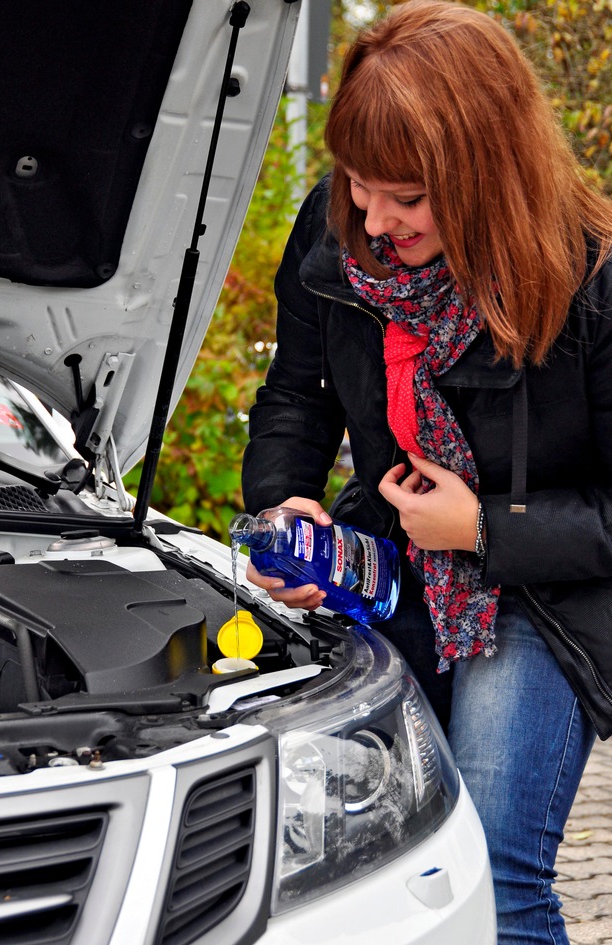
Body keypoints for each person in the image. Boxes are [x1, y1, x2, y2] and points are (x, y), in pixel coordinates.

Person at [240, 1, 612, 941]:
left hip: (541, 597)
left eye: (407, 196)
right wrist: (284, 499)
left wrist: (484, 529)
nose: (374, 218)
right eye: (361, 185)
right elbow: (299, 390)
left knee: (493, 869)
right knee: (359, 860)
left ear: (486, 175)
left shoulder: (592, 276)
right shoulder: (334, 238)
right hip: (395, 565)